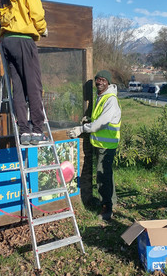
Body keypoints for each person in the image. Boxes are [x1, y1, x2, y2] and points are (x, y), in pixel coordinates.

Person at [0, 0, 49, 145]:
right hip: (24, 39)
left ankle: (24, 131)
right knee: (34, 85)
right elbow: (37, 14)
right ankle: (37, 130)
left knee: (19, 87)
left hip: (7, 41)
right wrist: (43, 29)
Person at [68, 70, 121, 221]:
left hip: (107, 145)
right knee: (106, 174)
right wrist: (89, 118)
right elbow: (99, 118)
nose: (99, 82)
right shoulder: (101, 97)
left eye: (103, 80)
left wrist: (82, 129)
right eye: (97, 80)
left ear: (108, 83)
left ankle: (107, 209)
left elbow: (101, 123)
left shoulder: (110, 99)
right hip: (100, 143)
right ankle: (112, 202)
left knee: (102, 176)